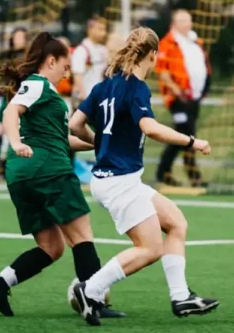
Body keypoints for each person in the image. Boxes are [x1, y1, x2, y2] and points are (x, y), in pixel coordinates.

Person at [68, 27, 219, 326]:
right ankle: (91, 289)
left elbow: (75, 124)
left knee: (176, 223)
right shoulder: (136, 87)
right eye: (155, 58)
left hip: (116, 179)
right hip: (119, 181)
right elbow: (150, 127)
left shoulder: (104, 86)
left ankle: (181, 297)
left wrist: (98, 142)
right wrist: (192, 141)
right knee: (150, 248)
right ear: (151, 55)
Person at [0, 31, 125, 319]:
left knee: (52, 247)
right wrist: (16, 142)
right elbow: (11, 114)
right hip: (48, 170)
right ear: (50, 61)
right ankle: (93, 300)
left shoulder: (41, 91)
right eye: (64, 64)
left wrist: (102, 144)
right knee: (82, 235)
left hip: (22, 175)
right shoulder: (37, 84)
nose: (67, 70)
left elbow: (62, 139)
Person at [155, 9, 211, 188]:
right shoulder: (167, 44)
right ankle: (170, 173)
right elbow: (162, 72)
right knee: (183, 134)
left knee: (188, 134)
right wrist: (177, 91)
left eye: (188, 20)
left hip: (193, 98)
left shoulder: (195, 42)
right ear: (173, 24)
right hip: (178, 99)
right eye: (182, 21)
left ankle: (183, 174)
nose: (187, 24)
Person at [0, 28, 29, 177]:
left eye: (21, 37)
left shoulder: (29, 58)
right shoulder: (7, 57)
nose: (19, 40)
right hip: (8, 99)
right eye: (16, 37)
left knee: (18, 134)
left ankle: (10, 166)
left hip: (22, 99)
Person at [71, 16, 108, 105]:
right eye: (100, 29)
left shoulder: (103, 49)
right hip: (87, 98)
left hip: (101, 99)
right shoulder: (82, 50)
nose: (103, 33)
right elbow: (77, 77)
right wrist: (85, 98)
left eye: (104, 29)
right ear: (90, 29)